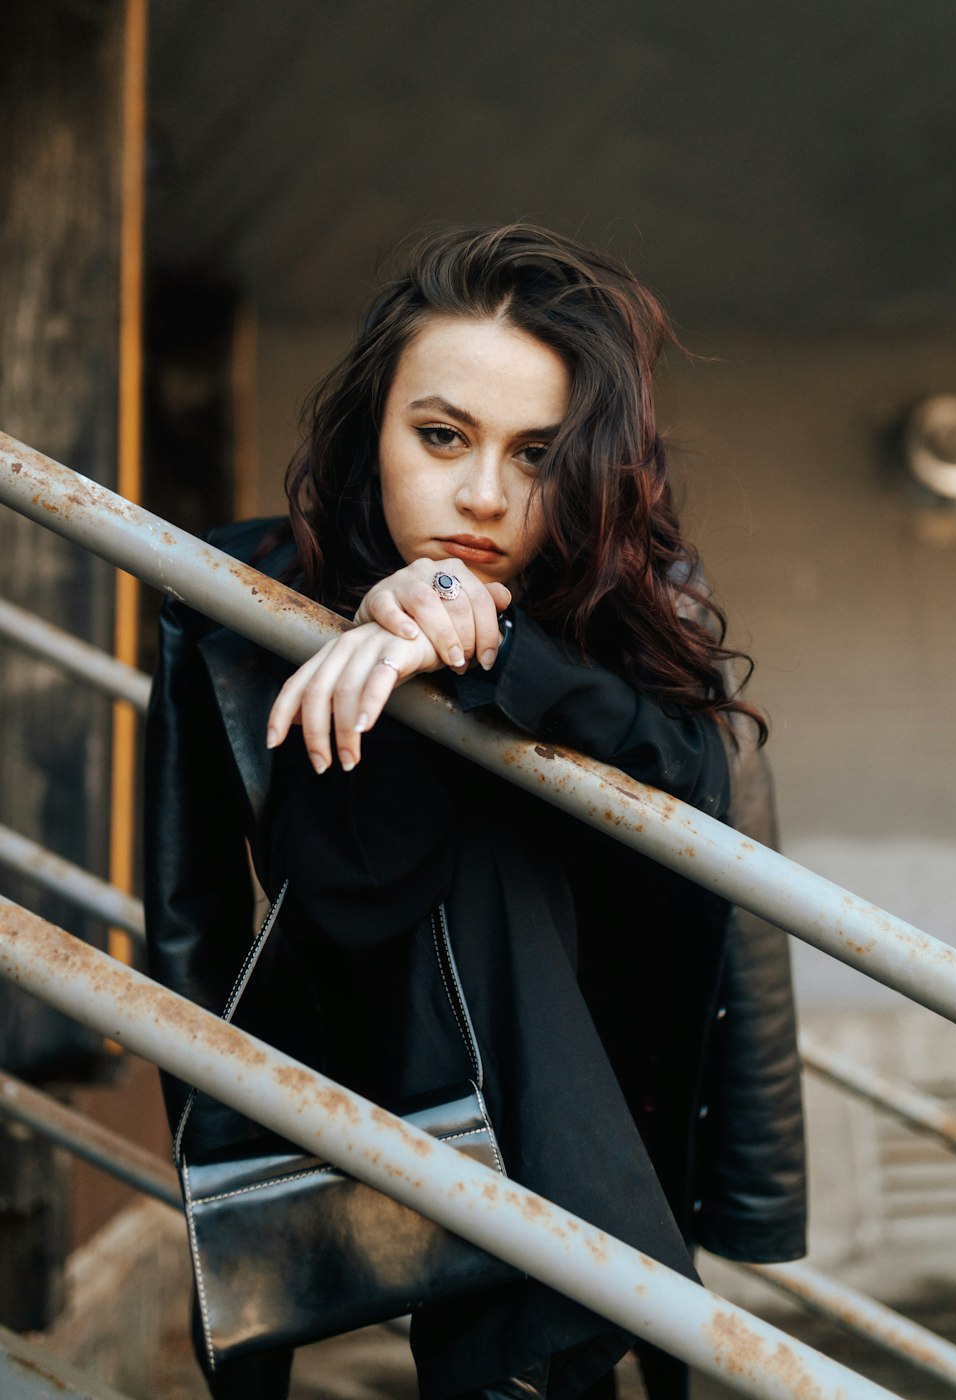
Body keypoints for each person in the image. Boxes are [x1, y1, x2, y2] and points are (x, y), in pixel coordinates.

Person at [144, 224, 805, 1400]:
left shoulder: (638, 614)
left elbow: (701, 811)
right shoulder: (233, 594)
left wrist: (485, 644)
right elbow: (217, 907)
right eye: (440, 435)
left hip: (588, 1090)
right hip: (359, 1062)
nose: (485, 496)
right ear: (371, 433)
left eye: (540, 453)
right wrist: (372, 632)